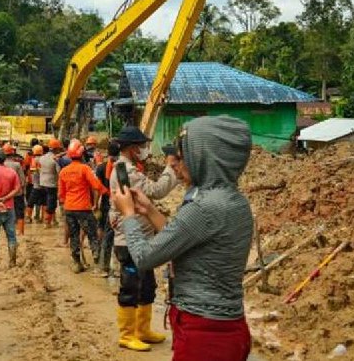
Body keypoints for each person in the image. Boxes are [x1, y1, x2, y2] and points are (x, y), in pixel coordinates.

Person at [112, 116, 253, 361]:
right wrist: (150, 211)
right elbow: (183, 238)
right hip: (225, 325)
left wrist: (129, 214)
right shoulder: (233, 201)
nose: (176, 164)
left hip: (204, 334)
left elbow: (145, 257)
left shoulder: (204, 207)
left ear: (204, 158)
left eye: (182, 156)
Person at [108, 125, 177, 352]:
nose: (144, 149)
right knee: (130, 287)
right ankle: (127, 334)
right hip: (130, 240)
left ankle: (142, 329)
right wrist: (170, 167)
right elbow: (157, 190)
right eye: (141, 146)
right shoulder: (127, 172)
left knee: (147, 285)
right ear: (132, 148)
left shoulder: (126, 168)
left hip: (140, 238)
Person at [57, 139, 109, 273]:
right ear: (81, 154)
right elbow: (97, 185)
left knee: (74, 236)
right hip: (84, 208)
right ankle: (98, 263)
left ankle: (77, 263)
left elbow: (61, 194)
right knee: (93, 235)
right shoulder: (85, 169)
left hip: (69, 208)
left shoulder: (63, 171)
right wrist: (109, 193)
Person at [94, 141, 120, 276]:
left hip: (106, 203)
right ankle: (117, 267)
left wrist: (95, 203)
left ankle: (103, 264)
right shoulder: (122, 167)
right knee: (120, 234)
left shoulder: (101, 167)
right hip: (121, 204)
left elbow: (97, 188)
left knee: (105, 232)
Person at [37, 139, 63, 228]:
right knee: (51, 204)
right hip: (52, 184)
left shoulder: (42, 158)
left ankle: (52, 220)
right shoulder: (55, 160)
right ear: (56, 149)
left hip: (42, 183)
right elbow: (59, 173)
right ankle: (47, 223)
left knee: (46, 203)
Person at [3, 143, 27, 235]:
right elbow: (22, 180)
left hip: (4, 194)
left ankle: (8, 232)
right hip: (17, 193)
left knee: (4, 212)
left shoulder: (0, 165)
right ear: (12, 153)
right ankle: (20, 232)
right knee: (19, 212)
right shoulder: (17, 165)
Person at [21, 138, 40, 223]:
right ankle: (38, 215)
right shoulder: (42, 155)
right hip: (40, 181)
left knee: (30, 200)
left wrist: (24, 178)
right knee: (40, 200)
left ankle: (29, 217)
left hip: (30, 179)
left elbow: (25, 167)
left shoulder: (28, 155)